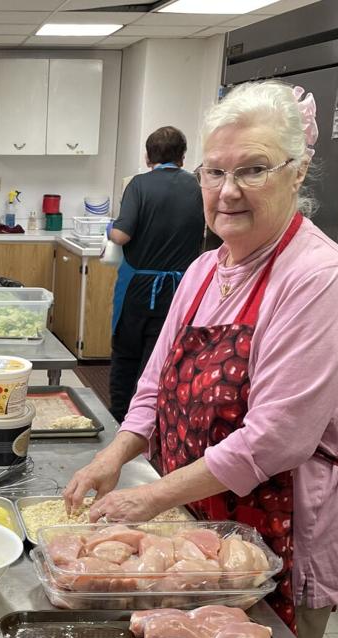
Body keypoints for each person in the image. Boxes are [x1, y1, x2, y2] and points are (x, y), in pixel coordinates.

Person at [66, 83, 338, 638]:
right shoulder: (206, 270)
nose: (227, 192)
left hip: (284, 528)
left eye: (253, 170)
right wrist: (112, 456)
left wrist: (152, 498)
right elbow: (154, 385)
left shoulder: (322, 280)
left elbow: (275, 441)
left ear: (297, 172)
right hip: (202, 519)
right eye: (213, 173)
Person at [106, 126, 205, 422]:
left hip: (139, 287)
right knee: (159, 360)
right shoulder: (199, 186)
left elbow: (122, 235)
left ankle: (119, 420)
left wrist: (109, 227)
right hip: (180, 290)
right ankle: (149, 425)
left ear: (148, 156)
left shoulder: (139, 185)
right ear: (183, 157)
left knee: (126, 356)